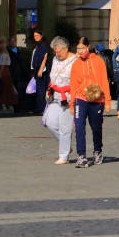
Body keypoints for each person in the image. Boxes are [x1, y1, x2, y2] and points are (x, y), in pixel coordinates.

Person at [69, 37, 111, 168]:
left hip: (97, 99)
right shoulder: (76, 64)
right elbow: (73, 84)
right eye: (77, 49)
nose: (79, 51)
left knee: (96, 127)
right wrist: (72, 103)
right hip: (81, 99)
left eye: (82, 48)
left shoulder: (98, 61)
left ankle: (97, 150)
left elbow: (104, 80)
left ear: (88, 47)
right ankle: (81, 156)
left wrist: (107, 100)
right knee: (79, 126)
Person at [43, 36, 77, 164]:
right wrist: (49, 88)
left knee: (65, 127)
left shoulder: (75, 60)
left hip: (68, 97)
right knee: (49, 122)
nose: (57, 54)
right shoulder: (55, 59)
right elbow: (52, 76)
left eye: (59, 51)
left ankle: (64, 156)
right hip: (55, 95)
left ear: (66, 48)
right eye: (55, 51)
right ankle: (66, 145)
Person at [0, 37, 18, 113]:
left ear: (3, 43)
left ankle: (5, 107)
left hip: (3, 73)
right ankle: (8, 107)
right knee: (5, 88)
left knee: (3, 88)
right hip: (3, 72)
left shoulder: (4, 53)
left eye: (0, 43)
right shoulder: (1, 53)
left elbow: (3, 65)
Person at [30, 27, 49, 114]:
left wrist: (41, 70)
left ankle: (40, 108)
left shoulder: (43, 45)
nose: (35, 37)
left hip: (42, 70)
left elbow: (45, 58)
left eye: (37, 35)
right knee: (39, 89)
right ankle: (40, 107)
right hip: (37, 69)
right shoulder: (38, 45)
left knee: (41, 89)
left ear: (41, 36)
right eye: (34, 35)